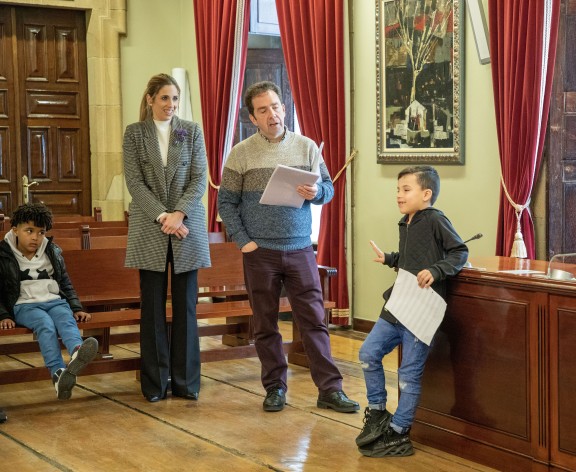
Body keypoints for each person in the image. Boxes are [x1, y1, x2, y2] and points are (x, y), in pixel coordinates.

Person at [217, 80, 359, 414]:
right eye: (263, 110)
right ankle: (275, 388)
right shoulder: (241, 153)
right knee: (265, 324)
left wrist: (317, 194)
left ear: (285, 108)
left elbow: (328, 188)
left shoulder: (307, 147)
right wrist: (244, 241)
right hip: (259, 252)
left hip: (299, 250)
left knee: (314, 321)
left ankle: (330, 389)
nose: (272, 114)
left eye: (276, 106)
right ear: (253, 118)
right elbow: (226, 201)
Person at [356, 166, 468, 457]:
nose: (399, 195)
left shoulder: (436, 219)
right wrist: (390, 258)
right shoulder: (406, 222)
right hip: (397, 304)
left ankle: (399, 430)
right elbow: (411, 258)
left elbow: (459, 252)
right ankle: (378, 412)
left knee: (408, 374)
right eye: (397, 190)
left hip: (422, 309)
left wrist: (436, 270)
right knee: (368, 353)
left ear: (426, 193)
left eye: (406, 189)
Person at [123, 73, 211, 403]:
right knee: (153, 309)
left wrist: (179, 215)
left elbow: (200, 177)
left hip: (187, 228)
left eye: (175, 99)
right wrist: (164, 216)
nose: (171, 105)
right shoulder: (134, 134)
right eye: (164, 98)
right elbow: (135, 183)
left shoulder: (191, 131)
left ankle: (187, 383)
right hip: (151, 227)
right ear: (150, 99)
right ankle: (155, 384)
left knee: (187, 308)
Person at [0, 203, 99, 400]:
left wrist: (76, 307)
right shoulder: (3, 254)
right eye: (29, 231)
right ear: (15, 230)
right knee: (45, 325)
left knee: (65, 318)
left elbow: (64, 282)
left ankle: (77, 352)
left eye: (41, 232)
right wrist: (3, 314)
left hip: (54, 301)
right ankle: (57, 372)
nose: (35, 237)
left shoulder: (51, 251)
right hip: (24, 306)